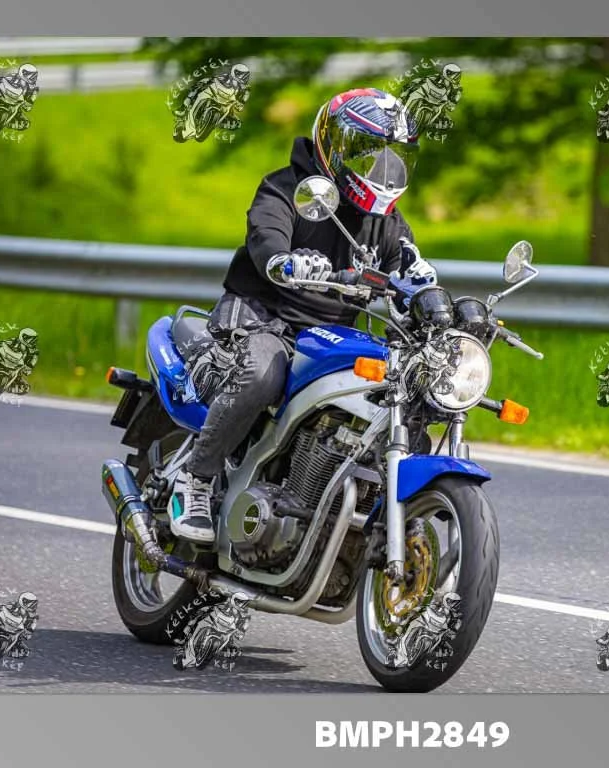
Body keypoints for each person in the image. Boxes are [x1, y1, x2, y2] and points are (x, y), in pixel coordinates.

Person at [168, 88, 436, 543]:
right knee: (263, 374)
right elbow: (266, 235)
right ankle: (195, 479)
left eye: (394, 156)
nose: (382, 169)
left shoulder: (388, 224)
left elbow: (410, 270)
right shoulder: (289, 189)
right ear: (333, 145)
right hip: (261, 318)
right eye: (368, 152)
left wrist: (432, 300)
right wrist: (284, 260)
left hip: (328, 336)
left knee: (402, 393)